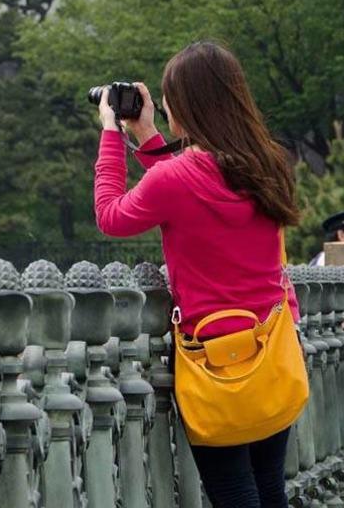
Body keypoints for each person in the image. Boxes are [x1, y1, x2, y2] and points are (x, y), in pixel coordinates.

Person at [93, 40, 300, 508]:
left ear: (185, 103)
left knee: (232, 492)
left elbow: (111, 214)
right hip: (272, 350)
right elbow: (191, 188)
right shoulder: (269, 163)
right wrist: (147, 135)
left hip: (213, 362)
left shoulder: (177, 179)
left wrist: (111, 131)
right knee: (270, 489)